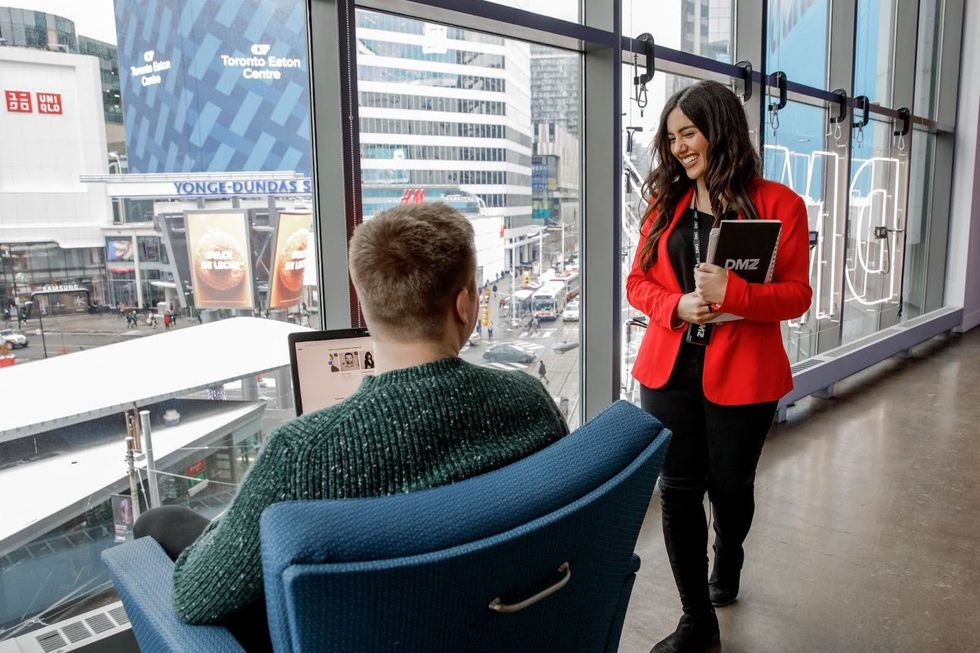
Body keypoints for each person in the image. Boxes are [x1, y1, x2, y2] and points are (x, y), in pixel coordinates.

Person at [133, 202, 567, 650]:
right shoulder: (528, 400)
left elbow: (194, 597)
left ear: (365, 304)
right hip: (501, 624)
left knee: (159, 522)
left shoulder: (302, 454)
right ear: (464, 304)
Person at [625, 80, 811, 653]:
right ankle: (695, 621)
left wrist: (738, 295)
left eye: (690, 133)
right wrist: (675, 305)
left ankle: (728, 554)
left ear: (721, 130)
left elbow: (797, 295)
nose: (680, 147)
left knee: (729, 490)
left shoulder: (780, 204)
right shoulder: (664, 206)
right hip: (669, 370)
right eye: (672, 137)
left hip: (744, 375)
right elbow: (637, 283)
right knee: (678, 493)